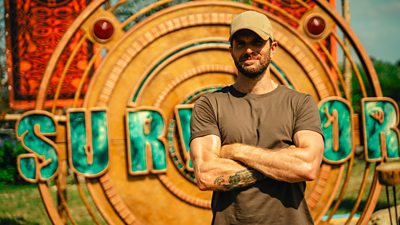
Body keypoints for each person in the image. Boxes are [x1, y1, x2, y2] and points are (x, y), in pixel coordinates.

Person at [189, 11, 324, 225]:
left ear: (273, 48)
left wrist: (235, 151)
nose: (248, 50)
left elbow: (306, 166)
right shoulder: (210, 104)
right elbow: (206, 174)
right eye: (240, 43)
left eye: (257, 42)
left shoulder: (300, 103)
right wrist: (283, 162)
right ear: (231, 50)